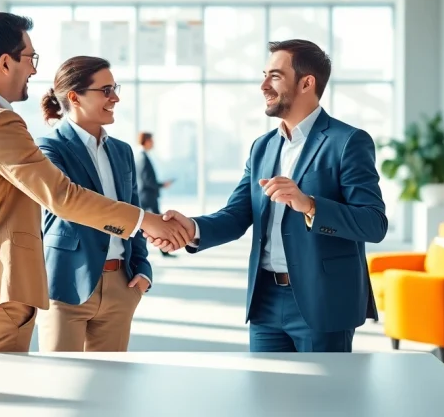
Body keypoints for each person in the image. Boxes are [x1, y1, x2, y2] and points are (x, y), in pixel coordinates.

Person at [0, 11, 189, 353]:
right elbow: (62, 197)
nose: (34, 70)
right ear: (5, 63)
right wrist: (145, 221)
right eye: (29, 58)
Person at [151, 39, 388, 353]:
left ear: (307, 83)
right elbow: (237, 215)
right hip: (265, 302)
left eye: (274, 76)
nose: (263, 85)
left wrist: (310, 205)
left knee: (323, 401)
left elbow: (373, 223)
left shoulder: (347, 142)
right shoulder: (262, 147)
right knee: (264, 397)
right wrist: (190, 230)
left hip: (323, 301)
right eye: (264, 75)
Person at [35, 56, 151, 352]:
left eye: (115, 88)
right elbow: (71, 203)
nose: (115, 97)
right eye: (106, 90)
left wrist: (142, 270)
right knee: (62, 384)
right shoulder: (48, 148)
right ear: (75, 96)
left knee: (111, 388)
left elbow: (133, 210)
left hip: (121, 285)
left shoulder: (122, 152)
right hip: (66, 284)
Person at [136, 132, 175, 257]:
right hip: (148, 196)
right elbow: (148, 180)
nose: (153, 143)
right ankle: (163, 251)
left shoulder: (142, 156)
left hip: (147, 196)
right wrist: (163, 185)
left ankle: (163, 251)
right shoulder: (142, 157)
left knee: (141, 224)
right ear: (146, 141)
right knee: (156, 223)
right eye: (152, 141)